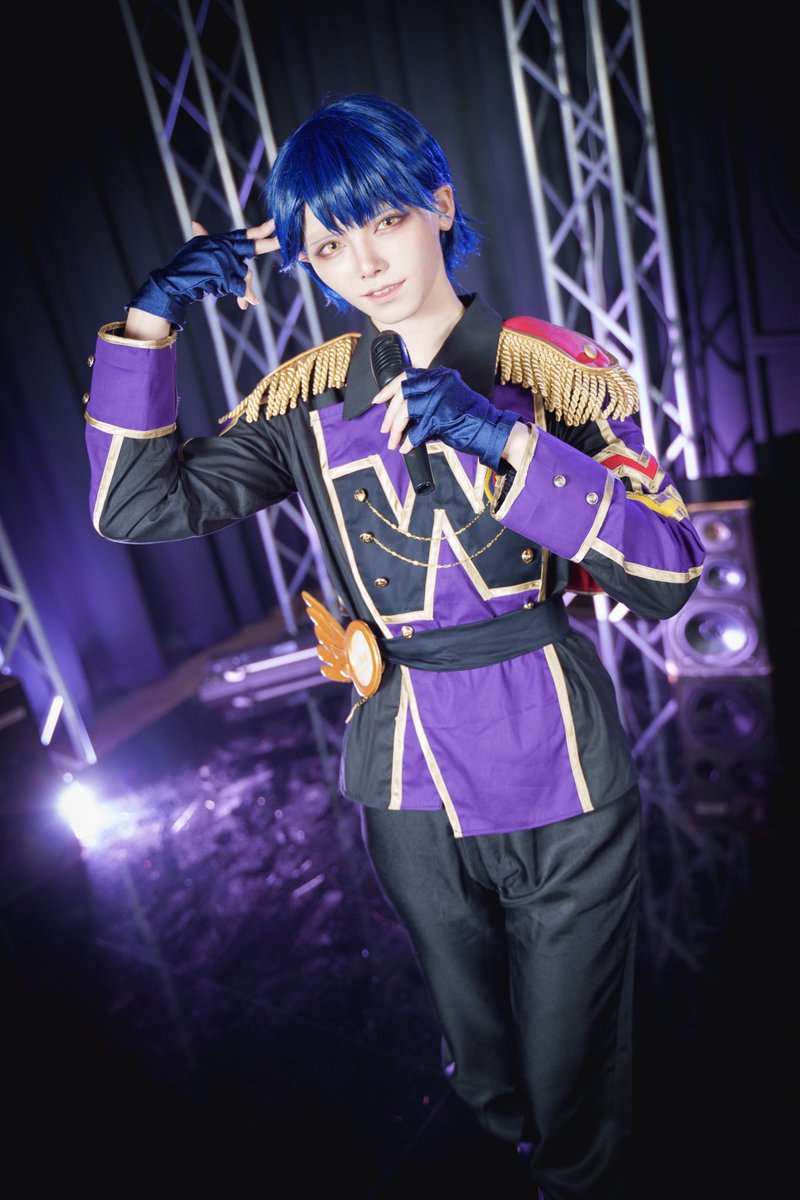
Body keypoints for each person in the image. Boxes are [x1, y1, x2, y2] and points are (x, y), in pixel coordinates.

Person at [84, 92, 706, 1198]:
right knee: (485, 1070)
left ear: (439, 207)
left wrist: (506, 440)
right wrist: (149, 322)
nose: (364, 265)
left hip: (555, 763)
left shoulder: (547, 371)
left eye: (383, 221)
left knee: (570, 1074)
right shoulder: (308, 400)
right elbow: (133, 507)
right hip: (404, 775)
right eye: (328, 245)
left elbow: (669, 573)